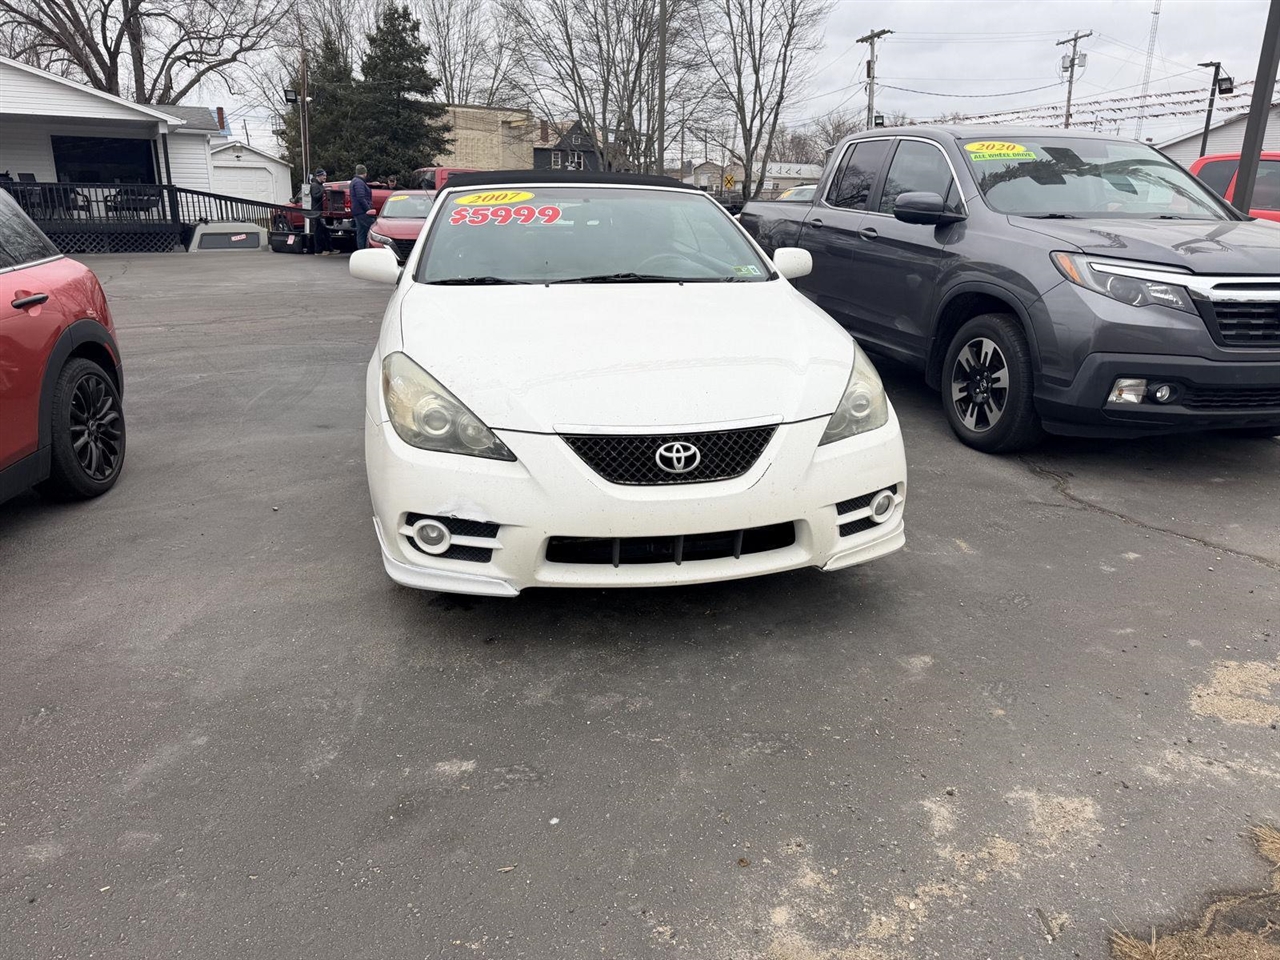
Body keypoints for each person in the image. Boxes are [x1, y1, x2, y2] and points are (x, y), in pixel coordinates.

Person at [350, 164, 375, 250]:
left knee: (361, 233)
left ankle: (361, 250)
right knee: (371, 230)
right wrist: (368, 210)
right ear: (365, 173)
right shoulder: (359, 182)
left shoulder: (356, 181)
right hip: (362, 212)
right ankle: (366, 250)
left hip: (357, 211)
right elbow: (361, 197)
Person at [309, 169, 333, 256]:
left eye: (325, 175)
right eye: (324, 175)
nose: (325, 177)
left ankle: (329, 248)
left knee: (325, 230)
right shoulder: (314, 185)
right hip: (317, 211)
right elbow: (315, 197)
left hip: (322, 211)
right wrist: (324, 192)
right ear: (318, 176)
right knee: (318, 231)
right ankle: (318, 250)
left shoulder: (320, 185)